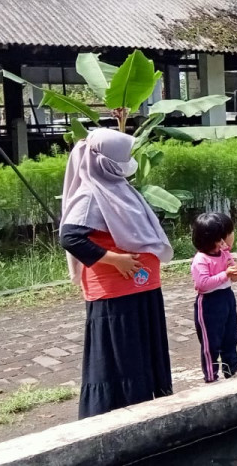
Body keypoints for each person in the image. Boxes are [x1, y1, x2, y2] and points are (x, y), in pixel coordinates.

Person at [60, 129, 174, 418]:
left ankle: (146, 405)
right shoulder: (90, 194)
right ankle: (117, 413)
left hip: (142, 287)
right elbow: (70, 237)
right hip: (115, 291)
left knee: (141, 350)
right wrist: (115, 260)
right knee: (120, 355)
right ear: (106, 161)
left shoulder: (117, 187)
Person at [190, 213, 237, 383]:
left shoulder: (225, 253)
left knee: (231, 335)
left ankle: (231, 370)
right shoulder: (201, 259)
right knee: (211, 341)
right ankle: (211, 375)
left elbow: (233, 277)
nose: (224, 242)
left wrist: (235, 273)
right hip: (209, 302)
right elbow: (203, 284)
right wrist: (225, 274)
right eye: (220, 238)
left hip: (227, 297)